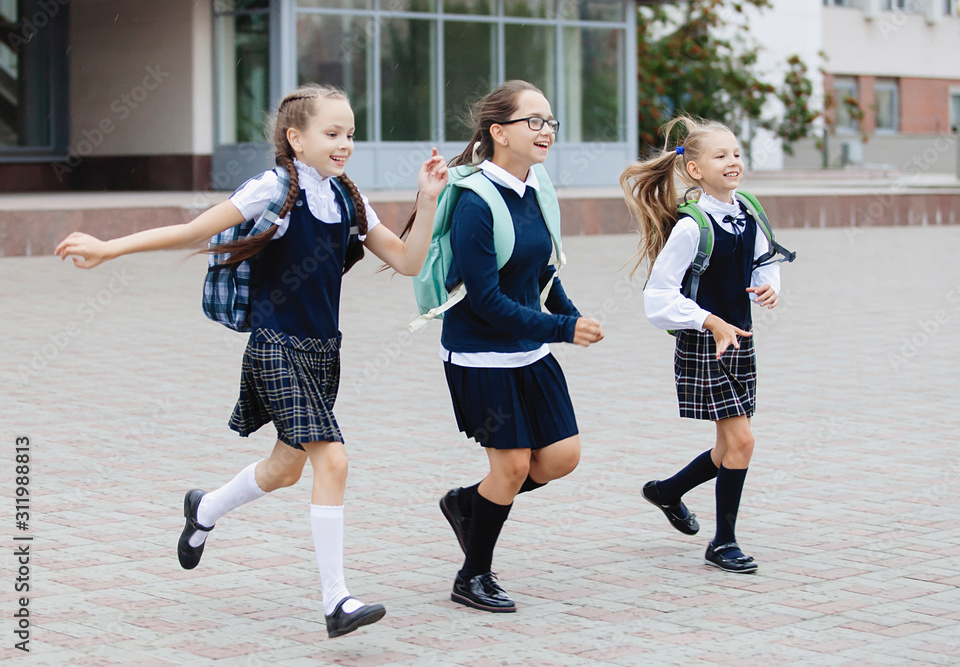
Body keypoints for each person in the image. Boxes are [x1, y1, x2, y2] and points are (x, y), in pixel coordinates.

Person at [54, 84, 449, 636]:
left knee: (285, 471)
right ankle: (337, 601)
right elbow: (194, 230)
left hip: (323, 353)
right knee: (332, 461)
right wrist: (108, 248)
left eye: (351, 134)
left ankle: (205, 509)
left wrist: (427, 199)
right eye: (332, 134)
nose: (345, 145)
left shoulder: (348, 198)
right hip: (275, 348)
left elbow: (408, 262)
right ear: (296, 138)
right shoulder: (272, 187)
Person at [430, 80, 604, 612]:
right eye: (534, 121)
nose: (546, 130)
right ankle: (472, 576)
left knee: (559, 458)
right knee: (510, 468)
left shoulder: (535, 188)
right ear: (499, 131)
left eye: (550, 121)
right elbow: (483, 300)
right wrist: (560, 331)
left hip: (528, 348)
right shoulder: (475, 202)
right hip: (481, 354)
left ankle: (468, 504)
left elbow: (542, 271)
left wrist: (568, 314)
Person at [620, 115, 781, 574]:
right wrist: (708, 320)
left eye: (736, 153)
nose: (733, 161)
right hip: (705, 345)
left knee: (730, 447)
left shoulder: (749, 210)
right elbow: (658, 298)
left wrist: (769, 287)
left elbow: (764, 261)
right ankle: (723, 542)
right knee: (742, 442)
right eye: (720, 155)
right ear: (694, 170)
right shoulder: (692, 227)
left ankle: (668, 491)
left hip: (740, 341)